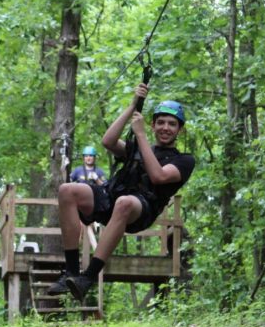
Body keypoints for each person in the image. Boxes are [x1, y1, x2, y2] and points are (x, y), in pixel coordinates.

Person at [48, 83, 195, 301]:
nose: (165, 127)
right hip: (111, 196)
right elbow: (108, 141)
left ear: (179, 130)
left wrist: (141, 135)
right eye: (161, 122)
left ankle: (88, 277)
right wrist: (133, 105)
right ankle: (70, 270)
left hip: (139, 209)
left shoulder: (184, 160)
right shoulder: (137, 146)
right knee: (67, 190)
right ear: (153, 125)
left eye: (172, 124)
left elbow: (158, 176)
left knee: (125, 202)